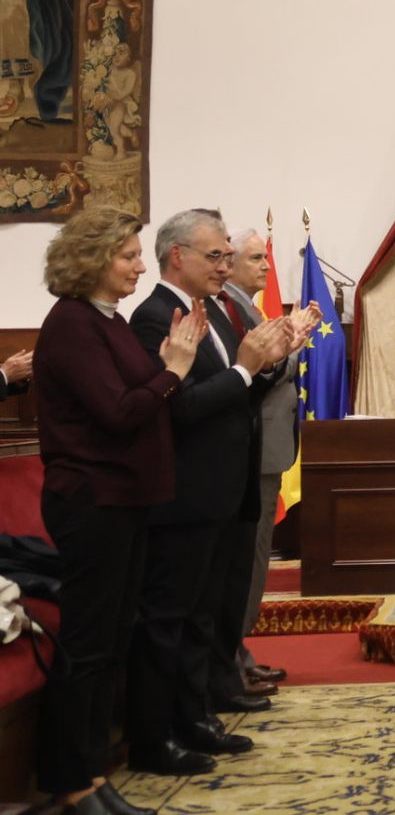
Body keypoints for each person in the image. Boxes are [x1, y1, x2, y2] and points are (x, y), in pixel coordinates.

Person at [32, 208, 204, 815]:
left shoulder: (106, 321)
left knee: (109, 644)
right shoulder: (72, 325)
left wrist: (164, 371)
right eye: (128, 255)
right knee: (88, 646)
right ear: (92, 259)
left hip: (124, 501)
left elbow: (136, 399)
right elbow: (118, 413)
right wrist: (173, 372)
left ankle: (92, 774)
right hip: (92, 503)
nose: (139, 264)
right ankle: (72, 781)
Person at [126, 209, 293, 774]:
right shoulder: (155, 319)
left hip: (223, 489)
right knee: (173, 617)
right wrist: (246, 370)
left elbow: (236, 392)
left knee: (204, 614)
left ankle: (195, 716)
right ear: (179, 256)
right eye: (216, 256)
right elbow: (183, 409)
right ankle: (163, 731)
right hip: (187, 493)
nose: (225, 266)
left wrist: (266, 364)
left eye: (228, 255)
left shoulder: (212, 314)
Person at [223, 229, 309, 693]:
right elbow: (254, 376)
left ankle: (238, 654)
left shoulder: (249, 309)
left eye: (266, 257)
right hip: (250, 451)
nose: (266, 266)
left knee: (253, 563)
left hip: (267, 448)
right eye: (256, 257)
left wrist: (290, 347)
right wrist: (288, 352)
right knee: (247, 562)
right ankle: (231, 658)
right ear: (230, 263)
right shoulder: (234, 310)